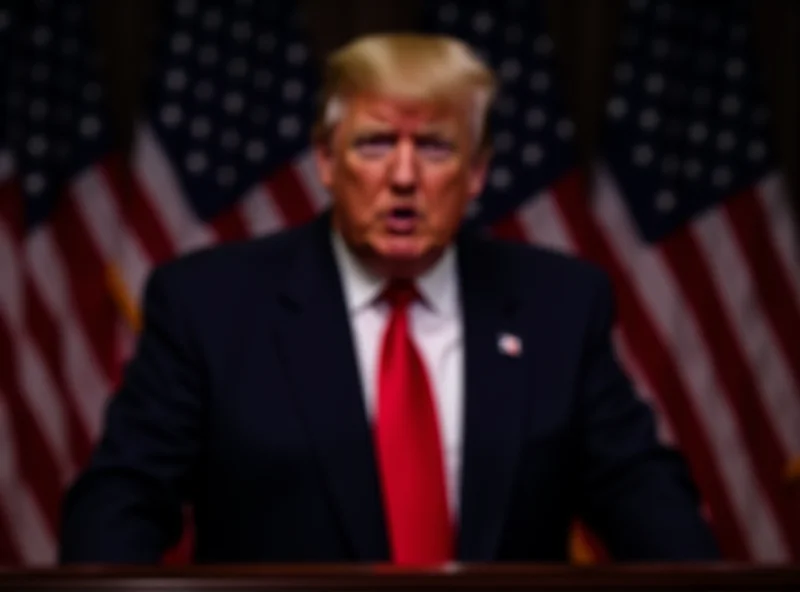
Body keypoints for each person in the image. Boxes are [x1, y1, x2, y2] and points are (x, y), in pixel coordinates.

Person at [59, 33, 720, 564]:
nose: (403, 177)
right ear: (325, 160)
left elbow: (645, 498)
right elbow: (120, 504)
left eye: (434, 147)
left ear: (478, 172)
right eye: (375, 143)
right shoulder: (209, 305)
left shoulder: (560, 306)